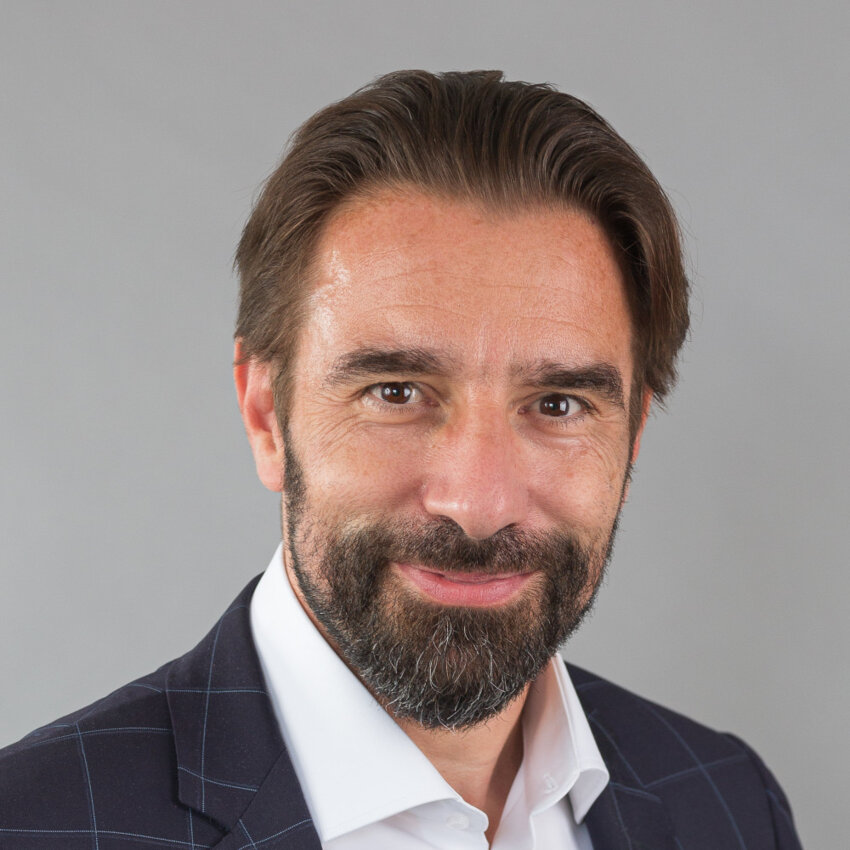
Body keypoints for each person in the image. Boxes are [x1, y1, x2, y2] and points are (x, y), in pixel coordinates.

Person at [0, 70, 803, 849]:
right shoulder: (31, 825)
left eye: (558, 404)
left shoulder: (730, 806)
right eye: (396, 393)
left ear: (632, 438)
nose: (478, 504)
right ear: (266, 416)